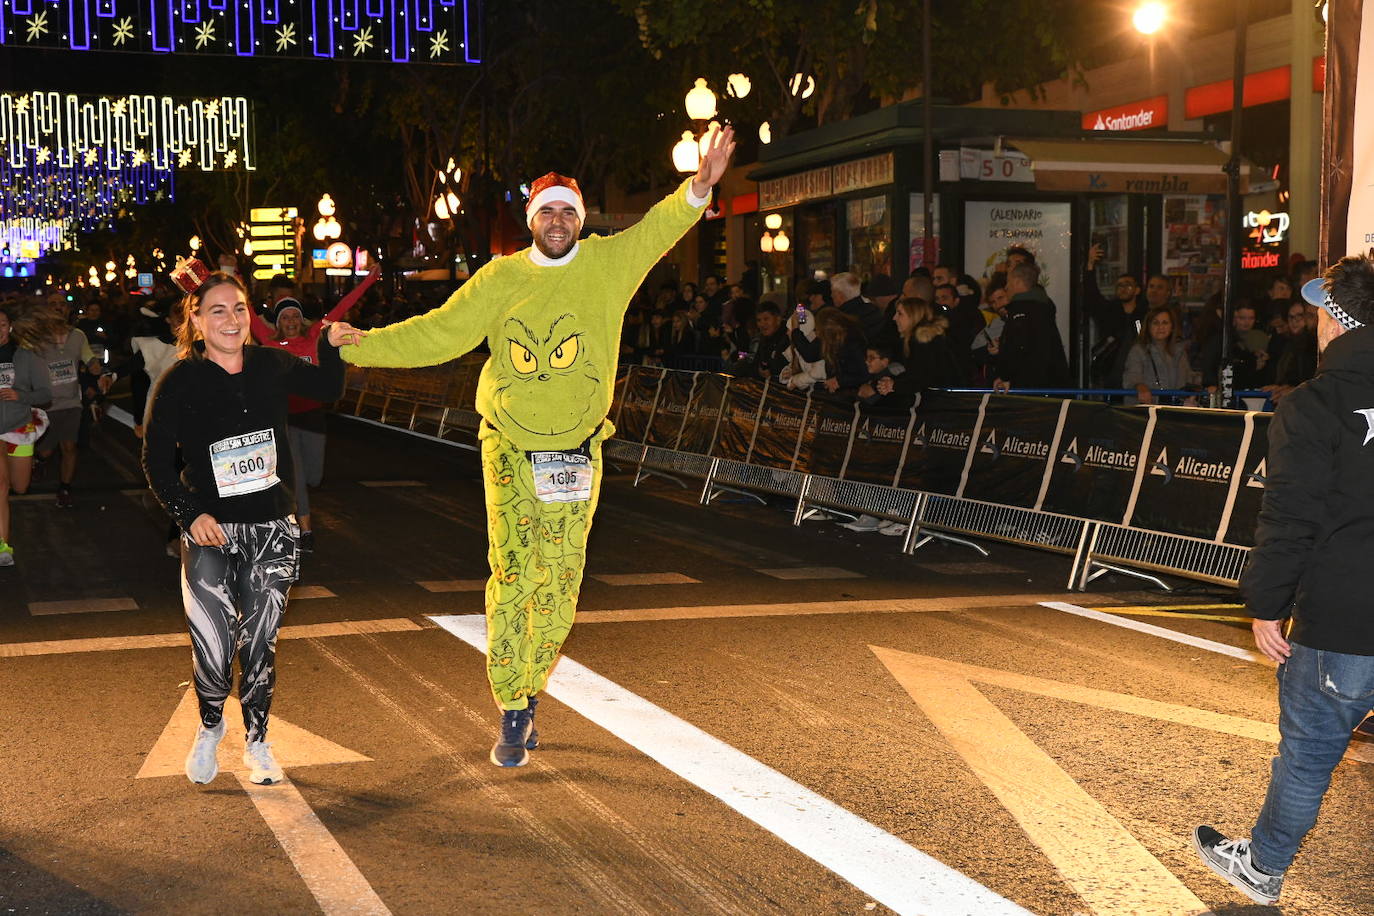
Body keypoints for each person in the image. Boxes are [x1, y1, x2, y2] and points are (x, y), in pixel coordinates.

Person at [338, 127, 736, 767]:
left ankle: (531, 687)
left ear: (581, 222)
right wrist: (360, 345)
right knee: (513, 574)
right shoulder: (500, 278)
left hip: (576, 455)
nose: (557, 220)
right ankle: (513, 703)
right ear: (531, 221)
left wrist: (701, 185)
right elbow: (438, 334)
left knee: (559, 581)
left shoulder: (608, 265)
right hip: (508, 452)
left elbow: (661, 228)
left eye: (568, 211)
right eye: (546, 210)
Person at [1192, 256, 1374, 906]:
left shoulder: (1314, 405)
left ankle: (1262, 869)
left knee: (1309, 755)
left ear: (1337, 322)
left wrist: (1265, 604)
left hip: (1343, 619)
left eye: (1322, 311)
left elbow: (1291, 515)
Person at [142, 260, 364, 786]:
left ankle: (258, 741)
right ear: (196, 320)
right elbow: (154, 461)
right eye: (217, 310)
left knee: (259, 644)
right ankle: (212, 725)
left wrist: (330, 344)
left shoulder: (270, 366)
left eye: (239, 308)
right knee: (214, 649)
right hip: (212, 533)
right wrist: (190, 514)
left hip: (271, 529)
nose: (231, 319)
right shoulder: (181, 380)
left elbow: (327, 389)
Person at [250, 267, 379, 553]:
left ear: (301, 319)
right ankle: (304, 531)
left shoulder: (314, 338)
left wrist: (369, 280)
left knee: (313, 477)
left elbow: (342, 307)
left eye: (295, 315)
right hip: (282, 419)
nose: (292, 320)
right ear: (278, 322)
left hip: (312, 417)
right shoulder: (270, 344)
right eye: (285, 317)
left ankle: (297, 512)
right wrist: (225, 272)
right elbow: (244, 310)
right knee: (296, 476)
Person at [33, 298, 106, 507]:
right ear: (47, 309)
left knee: (69, 446)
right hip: (44, 403)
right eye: (53, 303)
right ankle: (40, 459)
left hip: (72, 402)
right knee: (47, 448)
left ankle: (64, 488)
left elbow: (90, 359)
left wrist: (97, 370)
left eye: (62, 305)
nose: (58, 307)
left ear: (68, 310)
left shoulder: (78, 336)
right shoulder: (37, 337)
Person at [0, 304, 52, 568]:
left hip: (18, 426)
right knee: (1, 485)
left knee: (19, 486)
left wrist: (21, 396)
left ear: (10, 327)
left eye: (2, 324)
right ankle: (3, 546)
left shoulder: (26, 356)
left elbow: (45, 394)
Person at [992, 262, 1069, 390]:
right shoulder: (1042, 306)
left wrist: (1007, 377)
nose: (1006, 287)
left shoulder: (1021, 310)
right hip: (1047, 386)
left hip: (1030, 388)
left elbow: (1018, 348)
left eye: (1008, 282)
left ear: (1017, 282)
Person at [1122, 306, 1191, 405]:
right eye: (1155, 323)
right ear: (1148, 326)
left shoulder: (1179, 351)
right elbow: (1131, 377)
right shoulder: (1138, 351)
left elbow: (1188, 377)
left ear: (1172, 327)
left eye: (1165, 323)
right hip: (1144, 412)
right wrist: (1140, 387)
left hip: (1173, 411)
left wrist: (1205, 385)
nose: (1160, 327)